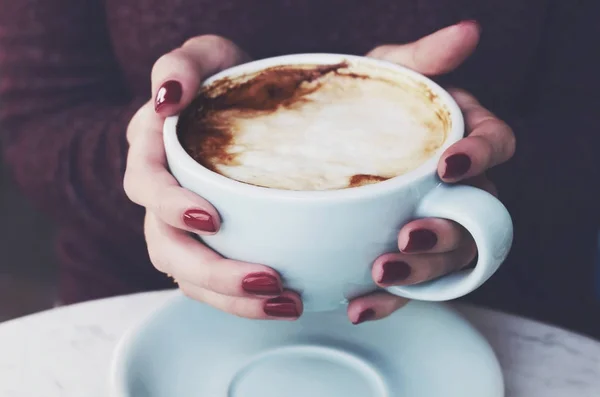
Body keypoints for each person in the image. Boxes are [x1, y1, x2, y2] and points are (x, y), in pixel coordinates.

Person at [1, 1, 598, 335]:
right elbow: (34, 122)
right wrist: (160, 170)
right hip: (132, 307)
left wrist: (481, 197)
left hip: (499, 316)